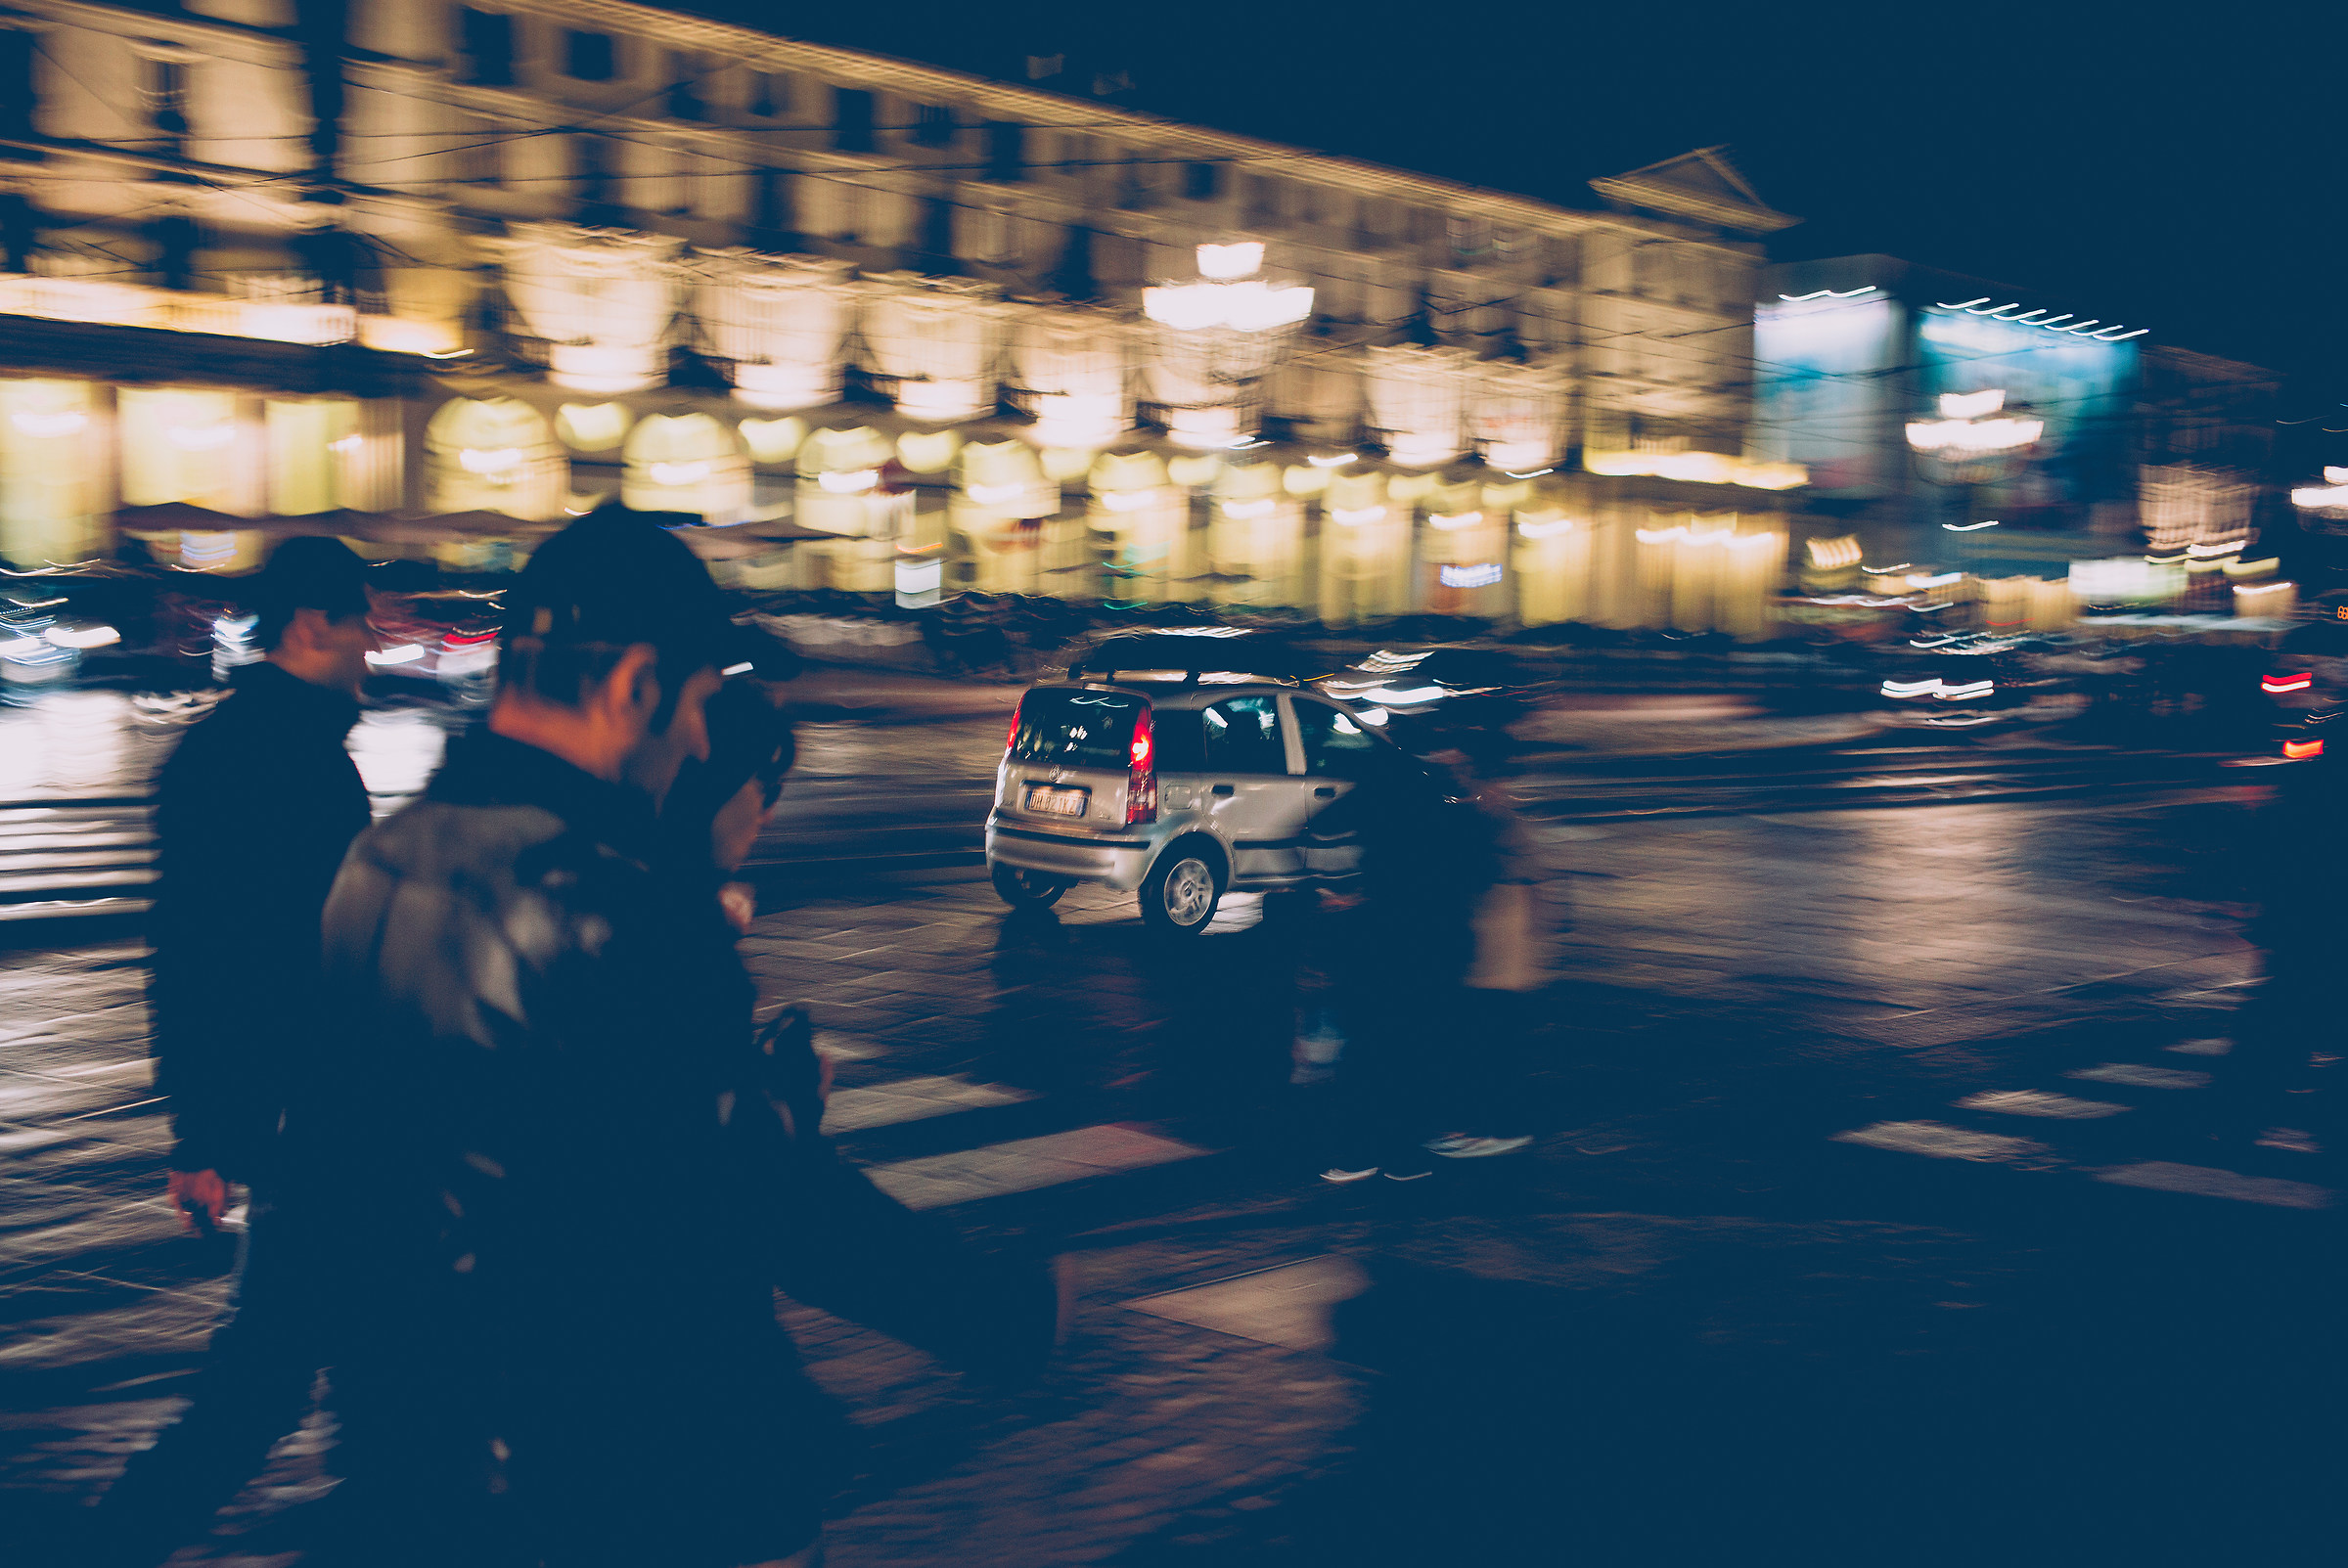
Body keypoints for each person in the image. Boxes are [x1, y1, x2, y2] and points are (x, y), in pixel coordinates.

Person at [85, 536, 377, 1565]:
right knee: (272, 1378)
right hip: (315, 1118)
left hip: (325, 1113)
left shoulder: (273, 747)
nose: (372, 642)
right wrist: (206, 1136)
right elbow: (202, 953)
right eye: (361, 620)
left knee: (351, 1372)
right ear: (312, 623)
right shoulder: (267, 757)